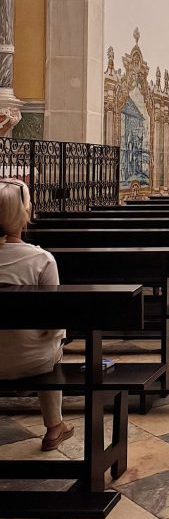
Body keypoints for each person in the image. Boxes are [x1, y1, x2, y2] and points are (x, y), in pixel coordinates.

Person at [0, 179, 72, 451]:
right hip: (33, 360)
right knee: (55, 342)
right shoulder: (42, 260)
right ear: (24, 215)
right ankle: (54, 426)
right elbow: (54, 324)